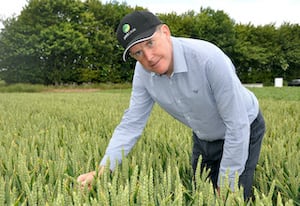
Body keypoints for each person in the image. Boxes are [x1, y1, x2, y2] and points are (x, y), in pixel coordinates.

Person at [77, 10, 266, 200]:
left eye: (150, 43)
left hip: (243, 128)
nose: (148, 57)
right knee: (201, 194)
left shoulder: (208, 59)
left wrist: (227, 184)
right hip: (203, 136)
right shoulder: (143, 73)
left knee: (232, 196)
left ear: (166, 32)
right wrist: (102, 171)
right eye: (138, 53)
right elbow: (131, 123)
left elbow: (237, 124)